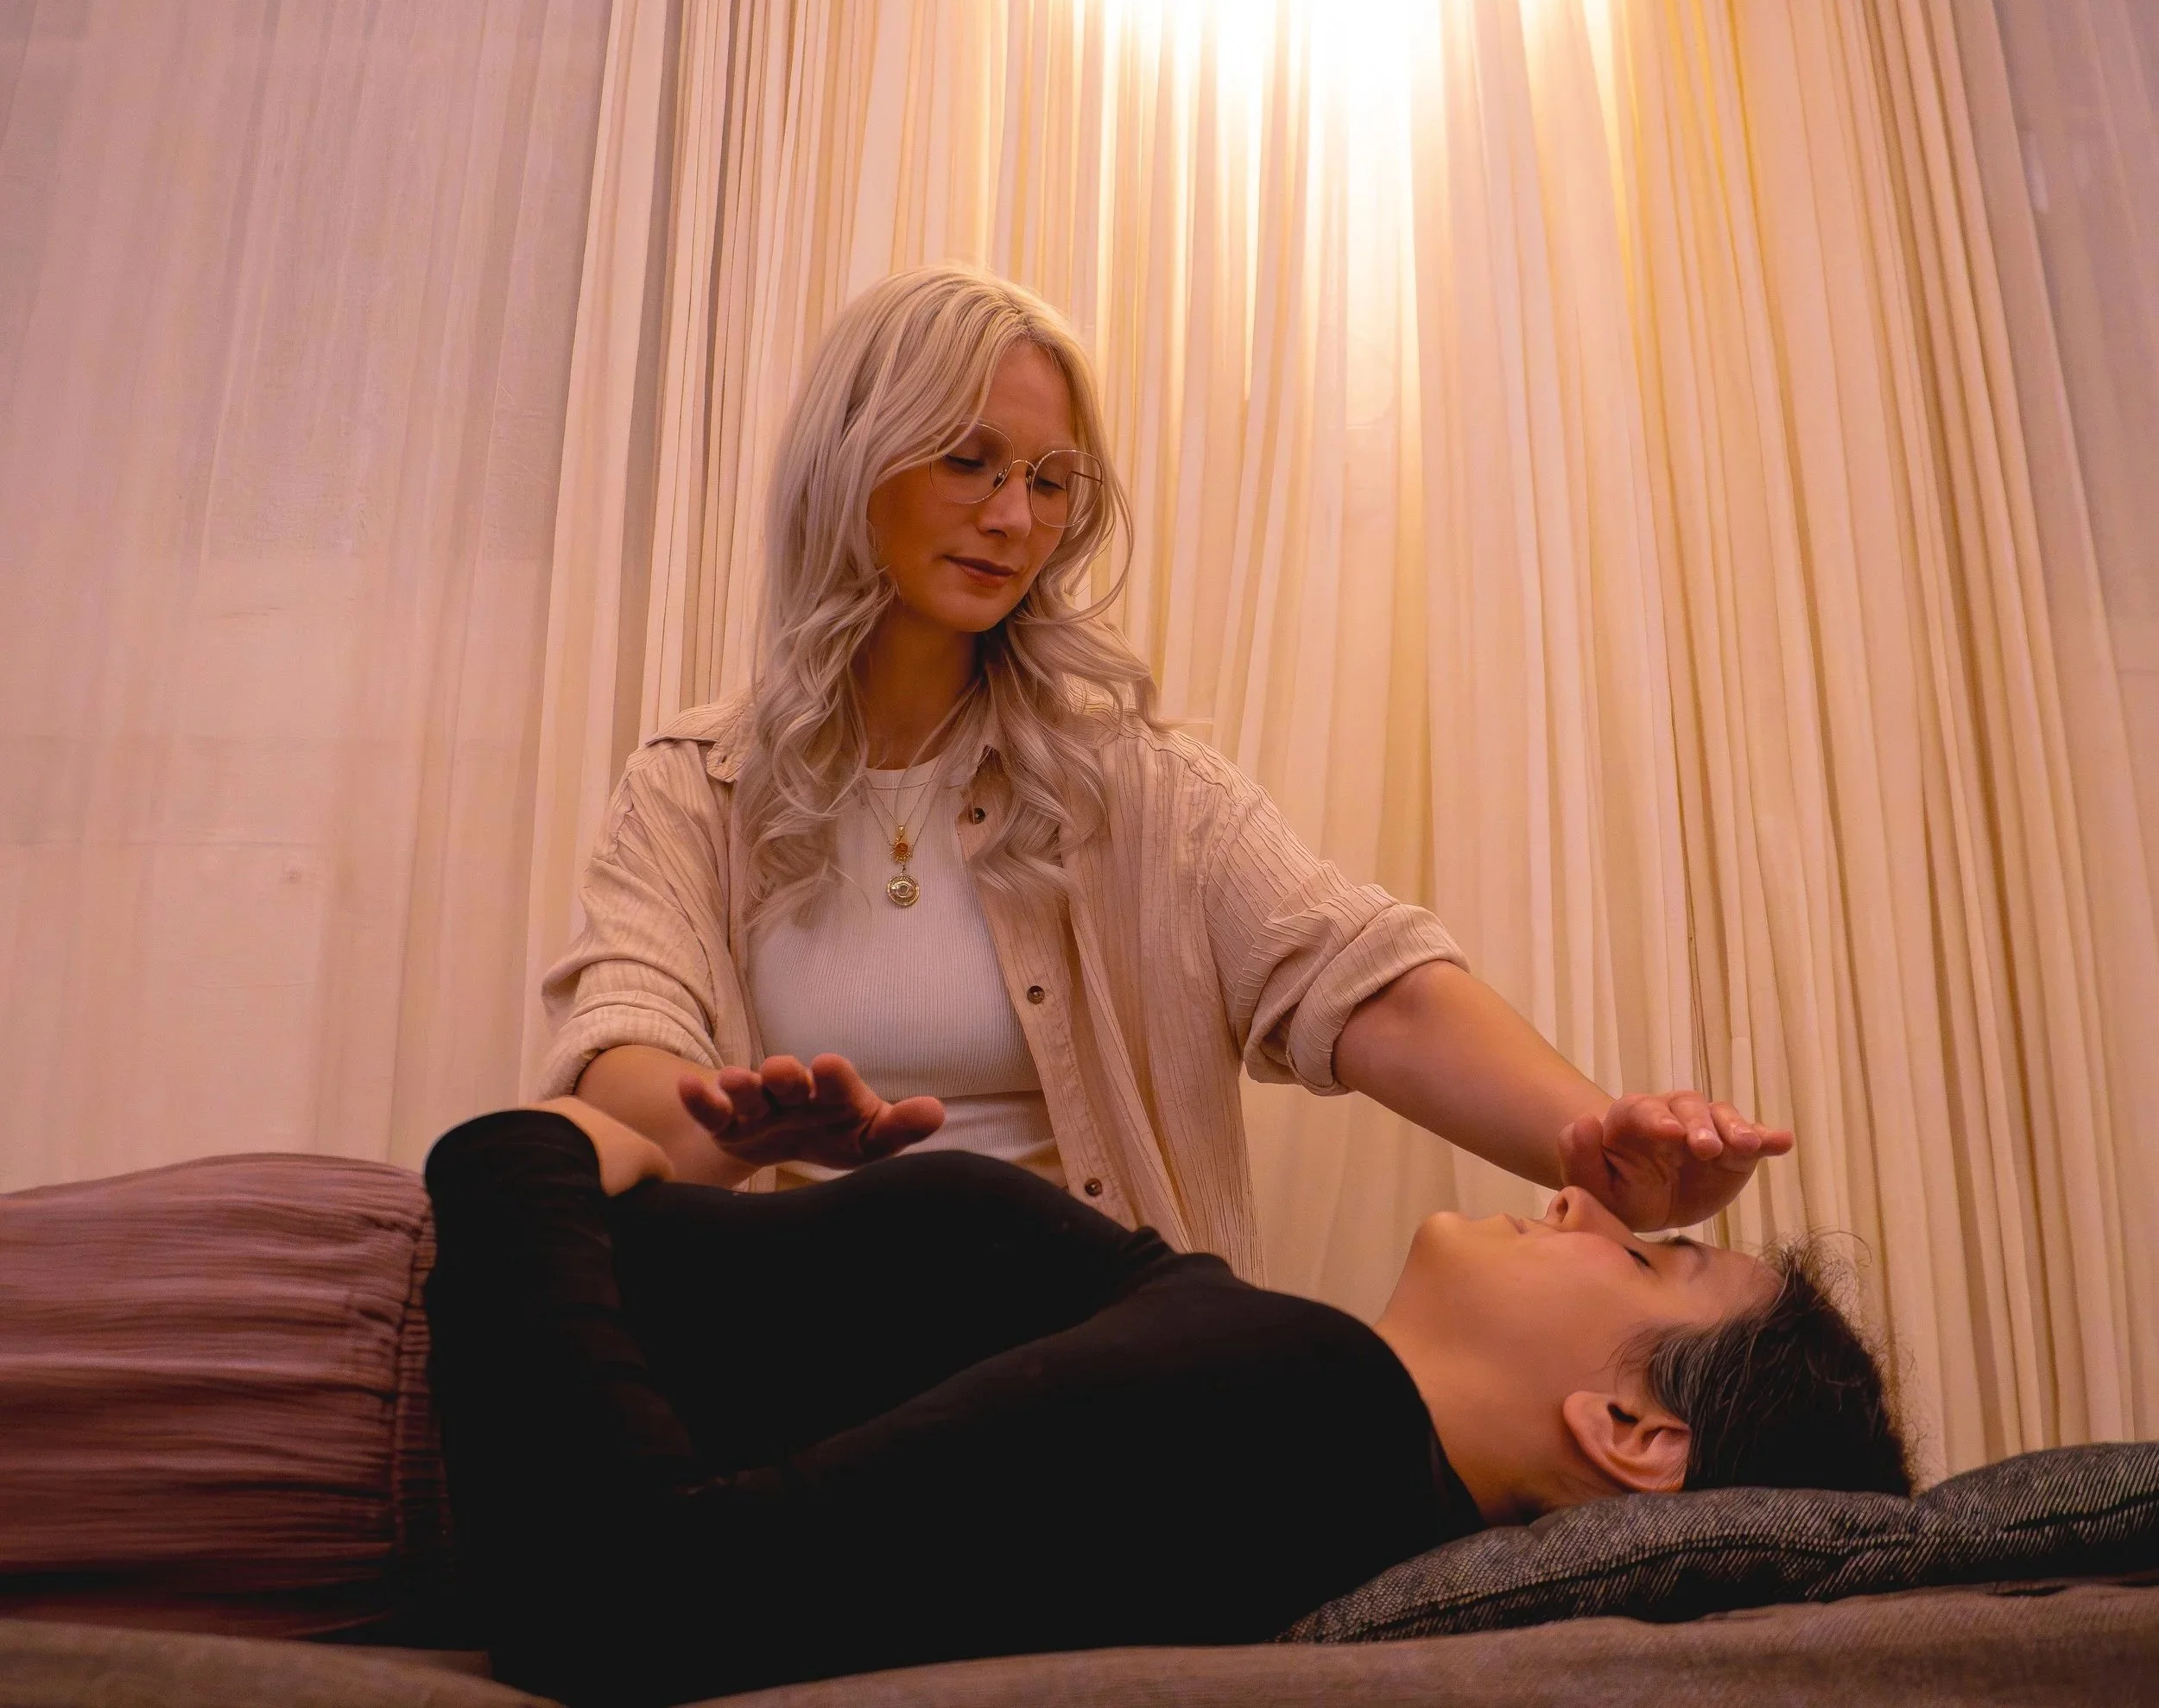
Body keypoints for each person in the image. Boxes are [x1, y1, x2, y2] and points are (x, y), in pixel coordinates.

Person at [537, 263, 1789, 1267]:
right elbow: (619, 1065)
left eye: (1048, 481)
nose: (1015, 517)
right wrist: (740, 1127)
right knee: (505, 1180)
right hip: (812, 1355)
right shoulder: (689, 789)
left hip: (1101, 1366)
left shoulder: (1133, 787)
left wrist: (1596, 1144)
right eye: (967, 460)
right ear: (852, 462)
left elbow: (1370, 986)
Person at [423, 1100, 1909, 1708]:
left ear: (1636, 1434)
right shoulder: (1301, 1410)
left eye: (1646, 1255)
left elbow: (630, 1597)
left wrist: (522, 1160)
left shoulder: (1297, 1412)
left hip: (311, 1380)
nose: (1581, 1198)